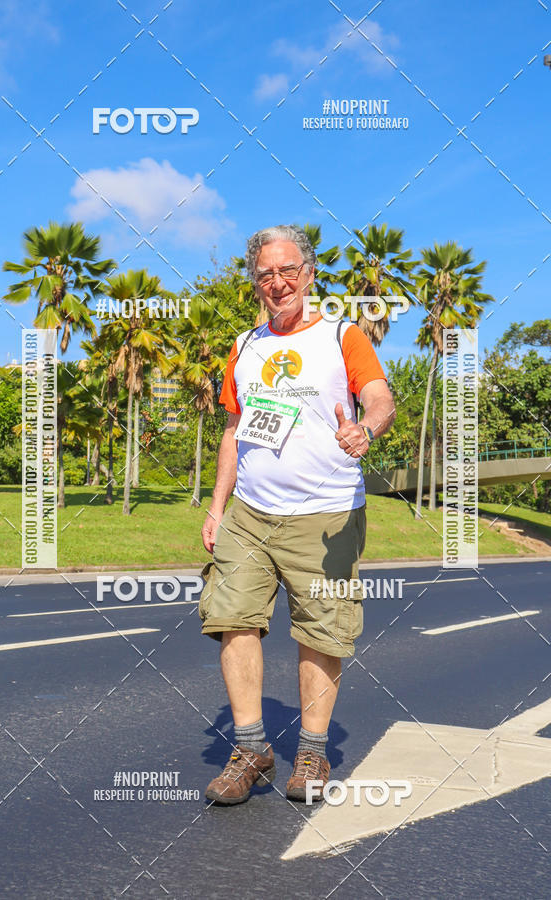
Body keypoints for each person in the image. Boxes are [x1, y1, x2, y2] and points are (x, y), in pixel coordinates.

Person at [199, 224, 395, 805]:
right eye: (266, 274)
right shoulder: (245, 345)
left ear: (308, 274)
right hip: (250, 513)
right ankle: (252, 748)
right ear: (255, 282)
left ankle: (311, 753)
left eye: (289, 270)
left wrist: (366, 428)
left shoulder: (343, 334)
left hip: (326, 515)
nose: (278, 282)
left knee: (320, 632)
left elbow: (379, 395)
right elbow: (234, 429)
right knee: (231, 616)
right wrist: (216, 507)